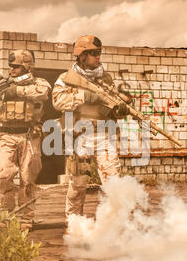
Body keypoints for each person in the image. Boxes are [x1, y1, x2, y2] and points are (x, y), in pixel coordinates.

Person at [52, 35, 129, 217]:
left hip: (104, 135)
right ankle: (74, 223)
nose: (98, 57)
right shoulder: (66, 78)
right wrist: (84, 97)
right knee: (78, 186)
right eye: (93, 53)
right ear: (81, 55)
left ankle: (111, 224)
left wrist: (121, 109)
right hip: (79, 136)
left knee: (113, 183)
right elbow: (58, 101)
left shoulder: (106, 79)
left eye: (99, 53)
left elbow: (112, 106)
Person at [0, 49, 51, 224]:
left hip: (29, 136)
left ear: (26, 66)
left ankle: (25, 217)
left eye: (16, 66)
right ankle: (7, 215)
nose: (11, 69)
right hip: (6, 135)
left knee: (28, 178)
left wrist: (16, 92)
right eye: (10, 66)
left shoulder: (38, 82)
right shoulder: (5, 85)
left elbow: (43, 93)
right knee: (2, 173)